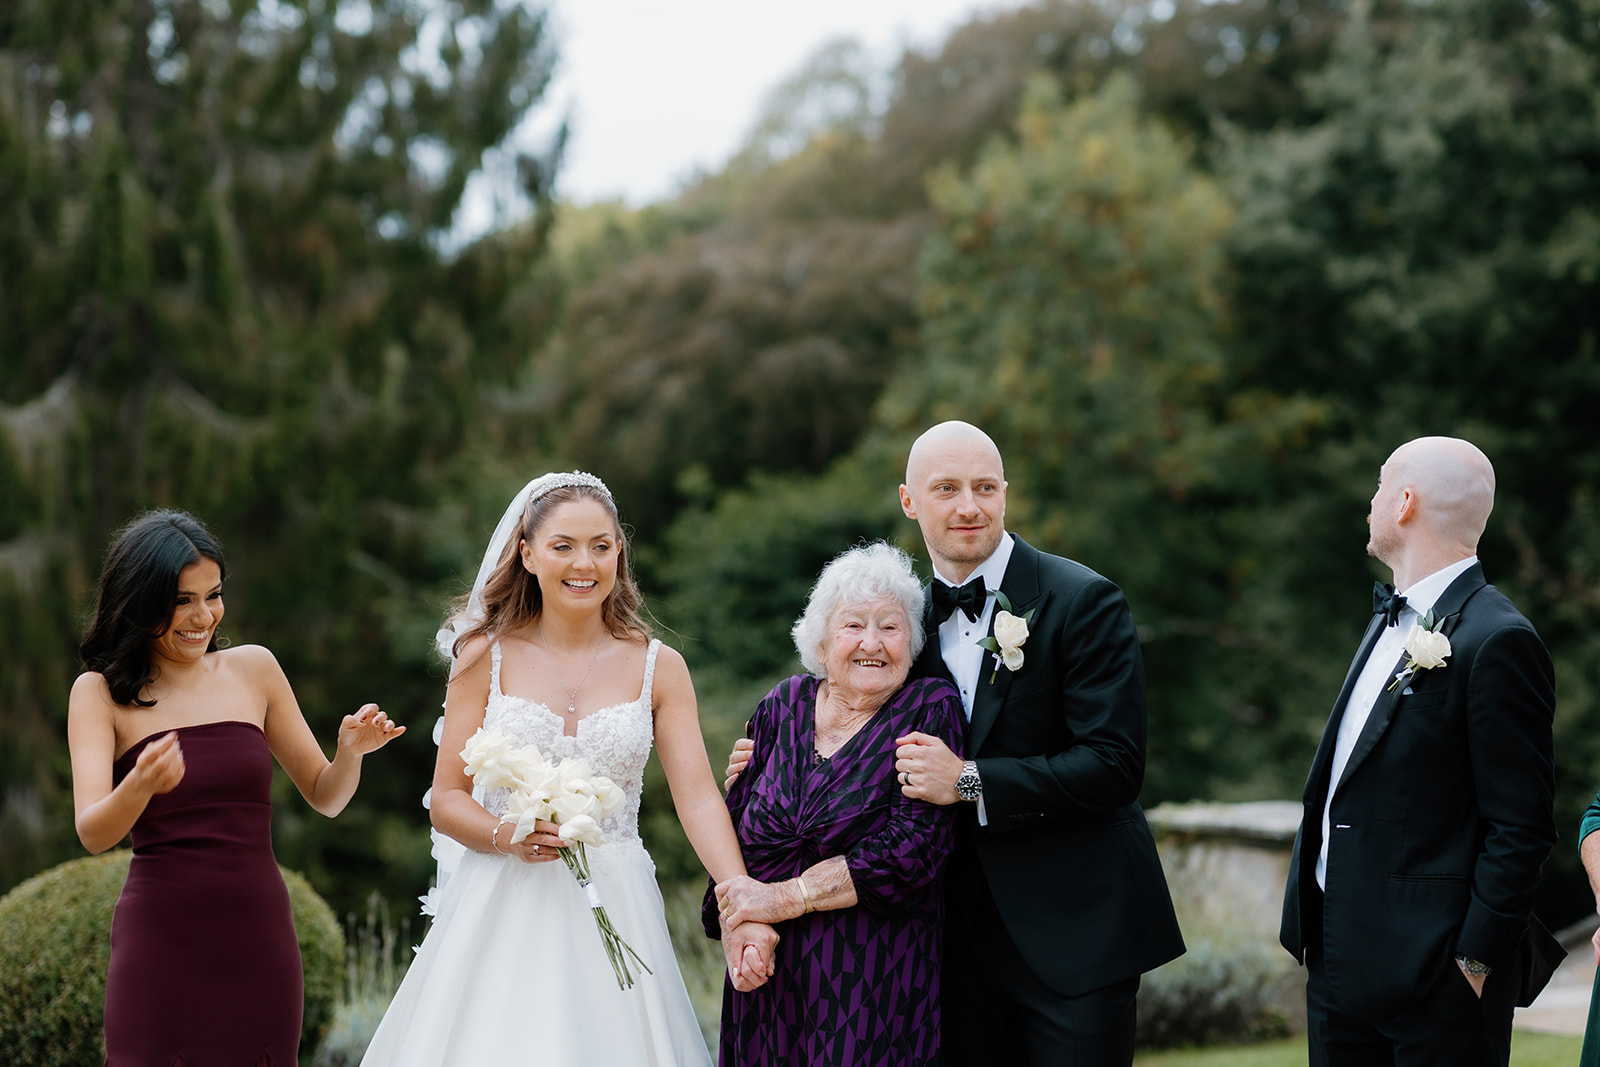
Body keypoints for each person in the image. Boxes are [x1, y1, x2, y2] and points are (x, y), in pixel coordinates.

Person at [726, 421, 1185, 1064]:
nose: (968, 506)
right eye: (946, 488)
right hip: (943, 945)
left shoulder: (1082, 600)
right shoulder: (904, 621)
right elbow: (855, 738)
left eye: (984, 487)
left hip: (1073, 931)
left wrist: (968, 779)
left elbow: (1114, 764)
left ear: (1005, 494)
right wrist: (767, 770)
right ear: (911, 502)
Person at [360, 471, 773, 1066]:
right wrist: (509, 835)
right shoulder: (483, 656)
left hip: (617, 897)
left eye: (601, 546)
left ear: (619, 554)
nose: (585, 563)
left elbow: (700, 799)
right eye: (564, 546)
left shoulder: (662, 667)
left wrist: (743, 899)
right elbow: (446, 798)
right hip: (501, 906)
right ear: (527, 555)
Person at [66, 509, 404, 1065]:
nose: (203, 616)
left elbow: (325, 795)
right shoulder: (98, 694)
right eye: (181, 600)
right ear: (140, 601)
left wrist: (350, 754)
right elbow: (93, 832)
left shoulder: (255, 669)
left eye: (213, 595)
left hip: (259, 940)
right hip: (160, 946)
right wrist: (141, 786)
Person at [1279, 436, 1564, 1066]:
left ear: (1405, 502)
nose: (1372, 500)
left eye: (1381, 485)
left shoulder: (1499, 639)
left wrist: (1475, 961)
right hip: (1338, 962)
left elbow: (1521, 825)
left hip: (1437, 980)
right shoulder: (1388, 621)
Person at [709, 542, 965, 1065]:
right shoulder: (782, 704)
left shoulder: (928, 707)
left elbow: (912, 851)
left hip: (871, 980)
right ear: (822, 643)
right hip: (766, 975)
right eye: (853, 625)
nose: (872, 642)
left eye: (890, 627)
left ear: (912, 643)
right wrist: (744, 927)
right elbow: (731, 833)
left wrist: (781, 899)